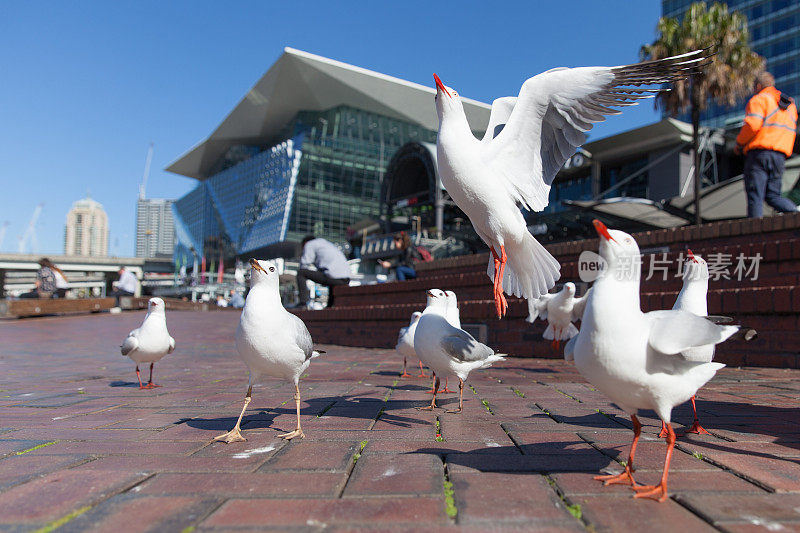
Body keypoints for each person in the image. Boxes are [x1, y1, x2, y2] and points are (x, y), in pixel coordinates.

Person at [735, 71, 799, 218]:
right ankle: (796, 215)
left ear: (758, 85)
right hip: (780, 157)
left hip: (759, 154)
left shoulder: (760, 99)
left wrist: (739, 143)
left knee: (755, 196)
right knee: (773, 195)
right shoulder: (789, 106)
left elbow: (752, 125)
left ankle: (754, 233)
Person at [297, 235, 351, 308]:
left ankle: (303, 303)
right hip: (345, 278)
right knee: (330, 277)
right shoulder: (325, 243)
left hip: (333, 277)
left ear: (305, 243)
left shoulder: (309, 244)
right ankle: (329, 306)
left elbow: (305, 263)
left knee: (301, 273)